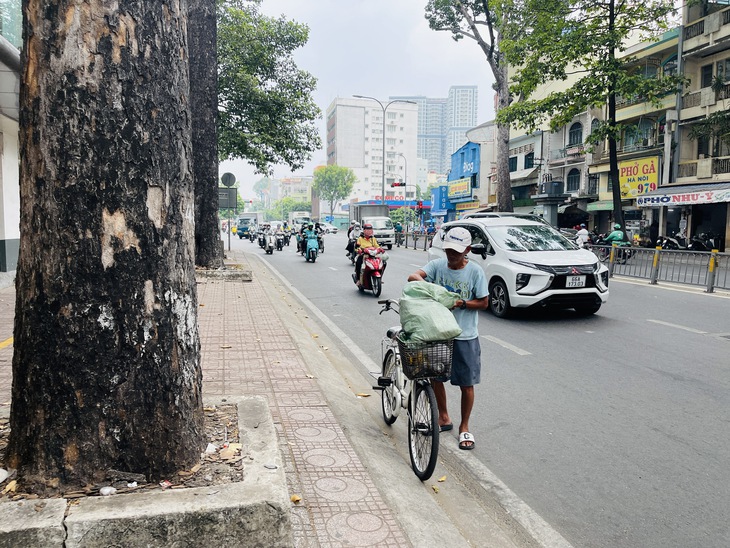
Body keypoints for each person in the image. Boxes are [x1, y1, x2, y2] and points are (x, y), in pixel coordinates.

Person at [407, 227, 489, 450]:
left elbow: (484, 302)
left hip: (465, 335)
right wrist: (429, 288)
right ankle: (444, 417)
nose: (451, 256)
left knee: (467, 384)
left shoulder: (475, 272)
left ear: (467, 251)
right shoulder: (437, 266)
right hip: (438, 333)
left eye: (457, 252)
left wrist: (461, 303)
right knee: (436, 376)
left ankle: (464, 426)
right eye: (449, 251)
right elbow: (413, 276)